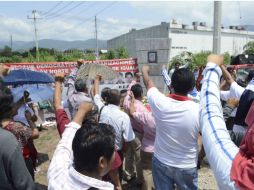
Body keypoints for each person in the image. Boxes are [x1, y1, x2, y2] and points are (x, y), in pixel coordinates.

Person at [53, 73, 122, 190]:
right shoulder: (102, 140)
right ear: (102, 163)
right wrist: (118, 185)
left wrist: (58, 82)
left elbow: (58, 106)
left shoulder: (58, 177)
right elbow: (113, 169)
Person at [200, 54, 254, 189]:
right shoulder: (243, 92)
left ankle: (200, 159)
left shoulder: (245, 93)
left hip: (237, 130)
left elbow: (211, 116)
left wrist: (214, 66)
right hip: (240, 131)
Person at [142, 65, 200, 190]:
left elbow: (148, 83)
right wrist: (199, 157)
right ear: (191, 87)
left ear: (171, 85)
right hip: (187, 165)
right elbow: (206, 138)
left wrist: (145, 71)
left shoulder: (160, 102)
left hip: (161, 162)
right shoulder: (199, 110)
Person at [48, 102, 115, 190]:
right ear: (102, 162)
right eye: (114, 150)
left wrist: (82, 111)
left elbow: (64, 145)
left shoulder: (57, 176)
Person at [93, 75, 135, 181]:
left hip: (100, 148)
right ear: (119, 101)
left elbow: (96, 95)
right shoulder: (123, 117)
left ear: (107, 99)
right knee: (117, 178)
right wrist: (124, 153)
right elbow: (129, 139)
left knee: (102, 176)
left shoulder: (102, 108)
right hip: (116, 152)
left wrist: (96, 80)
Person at [0, 81, 39, 180]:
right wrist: (29, 119)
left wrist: (23, 99)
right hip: (23, 162)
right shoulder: (16, 127)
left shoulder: (3, 125)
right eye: (12, 104)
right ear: (8, 108)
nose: (15, 106)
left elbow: (13, 110)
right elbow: (35, 134)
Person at [129, 91, 156, 190]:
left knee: (147, 172)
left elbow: (132, 113)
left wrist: (132, 101)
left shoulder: (147, 116)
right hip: (161, 149)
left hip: (147, 149)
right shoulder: (166, 119)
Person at [123, 73, 144, 185]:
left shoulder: (127, 99)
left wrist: (135, 79)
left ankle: (128, 173)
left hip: (129, 129)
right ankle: (140, 179)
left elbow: (129, 89)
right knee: (139, 156)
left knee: (129, 153)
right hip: (138, 133)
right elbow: (145, 122)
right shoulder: (140, 106)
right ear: (140, 94)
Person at [220, 67, 254, 135]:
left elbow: (229, 80)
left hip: (237, 132)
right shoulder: (242, 92)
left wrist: (221, 66)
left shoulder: (242, 93)